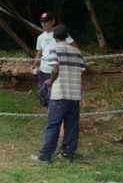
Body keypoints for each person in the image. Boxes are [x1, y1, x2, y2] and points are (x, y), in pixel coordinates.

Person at [32, 24, 86, 163]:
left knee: (53, 124)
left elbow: (55, 68)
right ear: (67, 36)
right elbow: (82, 70)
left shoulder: (54, 49)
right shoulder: (77, 52)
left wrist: (50, 80)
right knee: (72, 125)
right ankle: (67, 154)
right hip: (74, 94)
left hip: (60, 93)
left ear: (54, 37)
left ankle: (45, 156)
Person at [33, 12, 75, 107]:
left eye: (46, 21)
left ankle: (59, 120)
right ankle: (51, 118)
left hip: (58, 72)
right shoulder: (40, 37)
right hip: (43, 72)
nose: (43, 24)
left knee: (57, 98)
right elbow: (39, 53)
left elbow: (74, 48)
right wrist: (35, 64)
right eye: (42, 22)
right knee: (43, 97)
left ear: (53, 21)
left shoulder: (61, 33)